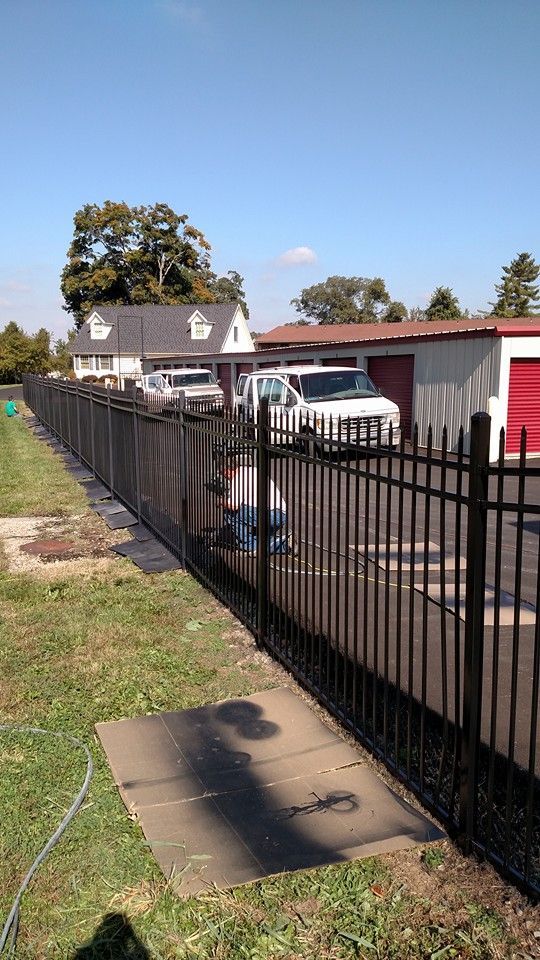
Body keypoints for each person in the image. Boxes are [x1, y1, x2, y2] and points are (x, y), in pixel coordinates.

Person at [221, 456, 289, 554]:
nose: (225, 477)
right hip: (281, 514)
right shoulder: (252, 470)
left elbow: (234, 506)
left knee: (229, 513)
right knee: (259, 539)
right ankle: (281, 544)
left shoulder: (238, 479)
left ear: (227, 471)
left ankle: (247, 544)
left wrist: (221, 503)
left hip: (270, 516)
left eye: (223, 474)